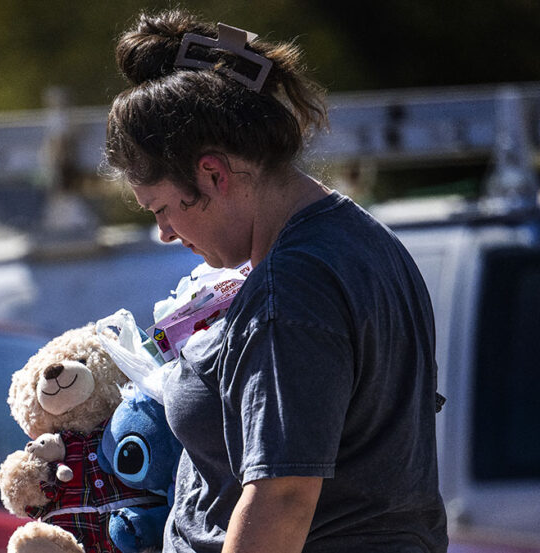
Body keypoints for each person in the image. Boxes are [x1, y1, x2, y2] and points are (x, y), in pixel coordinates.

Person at [102, 10, 448, 553]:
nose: (165, 233)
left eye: (164, 208)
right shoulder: (363, 240)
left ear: (213, 173)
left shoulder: (292, 287)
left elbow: (281, 500)